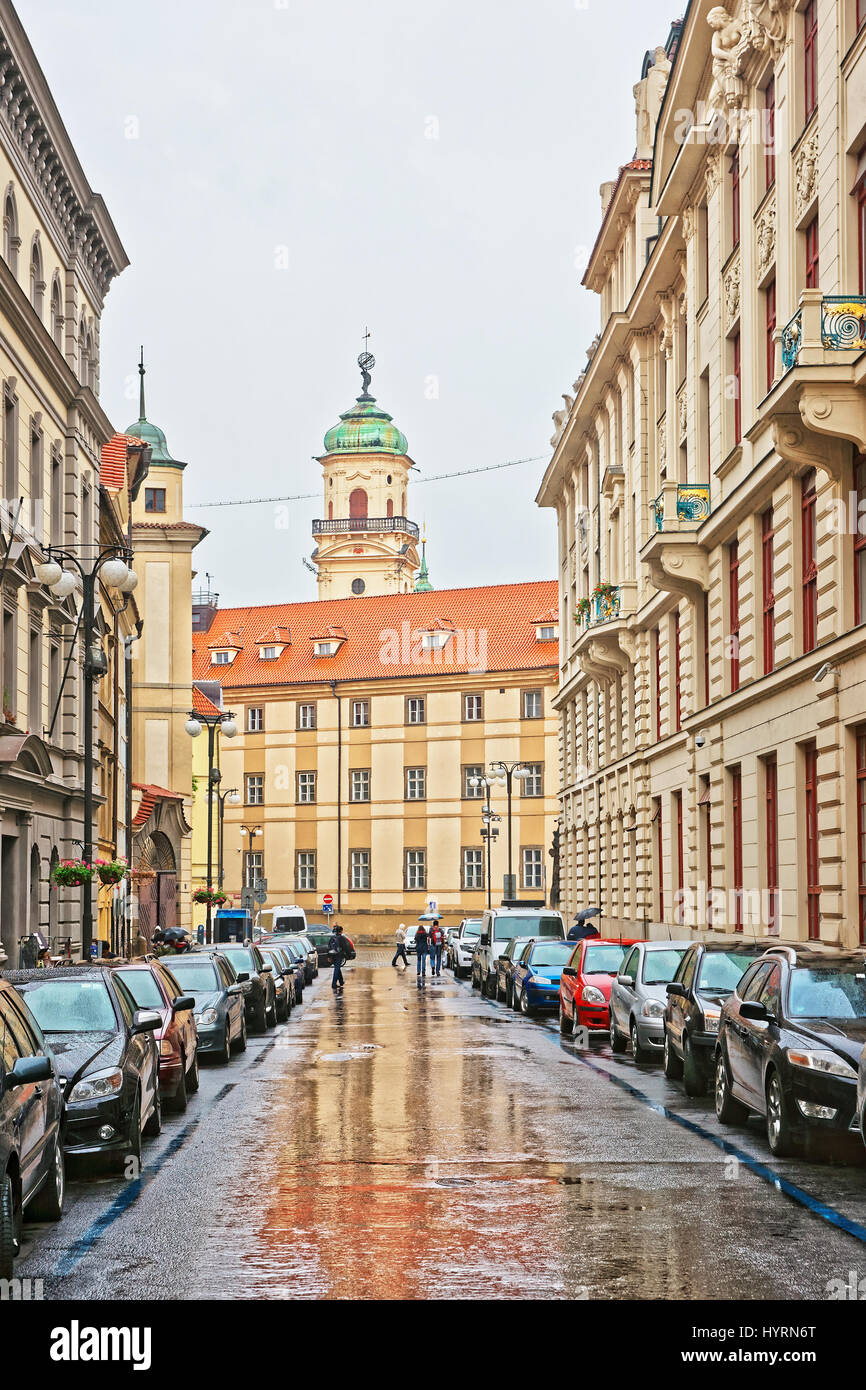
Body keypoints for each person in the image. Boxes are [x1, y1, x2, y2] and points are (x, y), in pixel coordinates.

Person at [328, 923, 349, 992]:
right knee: (337, 969)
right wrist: (346, 955)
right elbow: (345, 947)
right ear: (341, 931)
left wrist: (329, 956)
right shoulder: (341, 938)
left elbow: (329, 947)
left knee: (337, 968)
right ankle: (333, 984)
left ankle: (341, 981)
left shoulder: (332, 937)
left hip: (333, 955)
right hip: (339, 955)